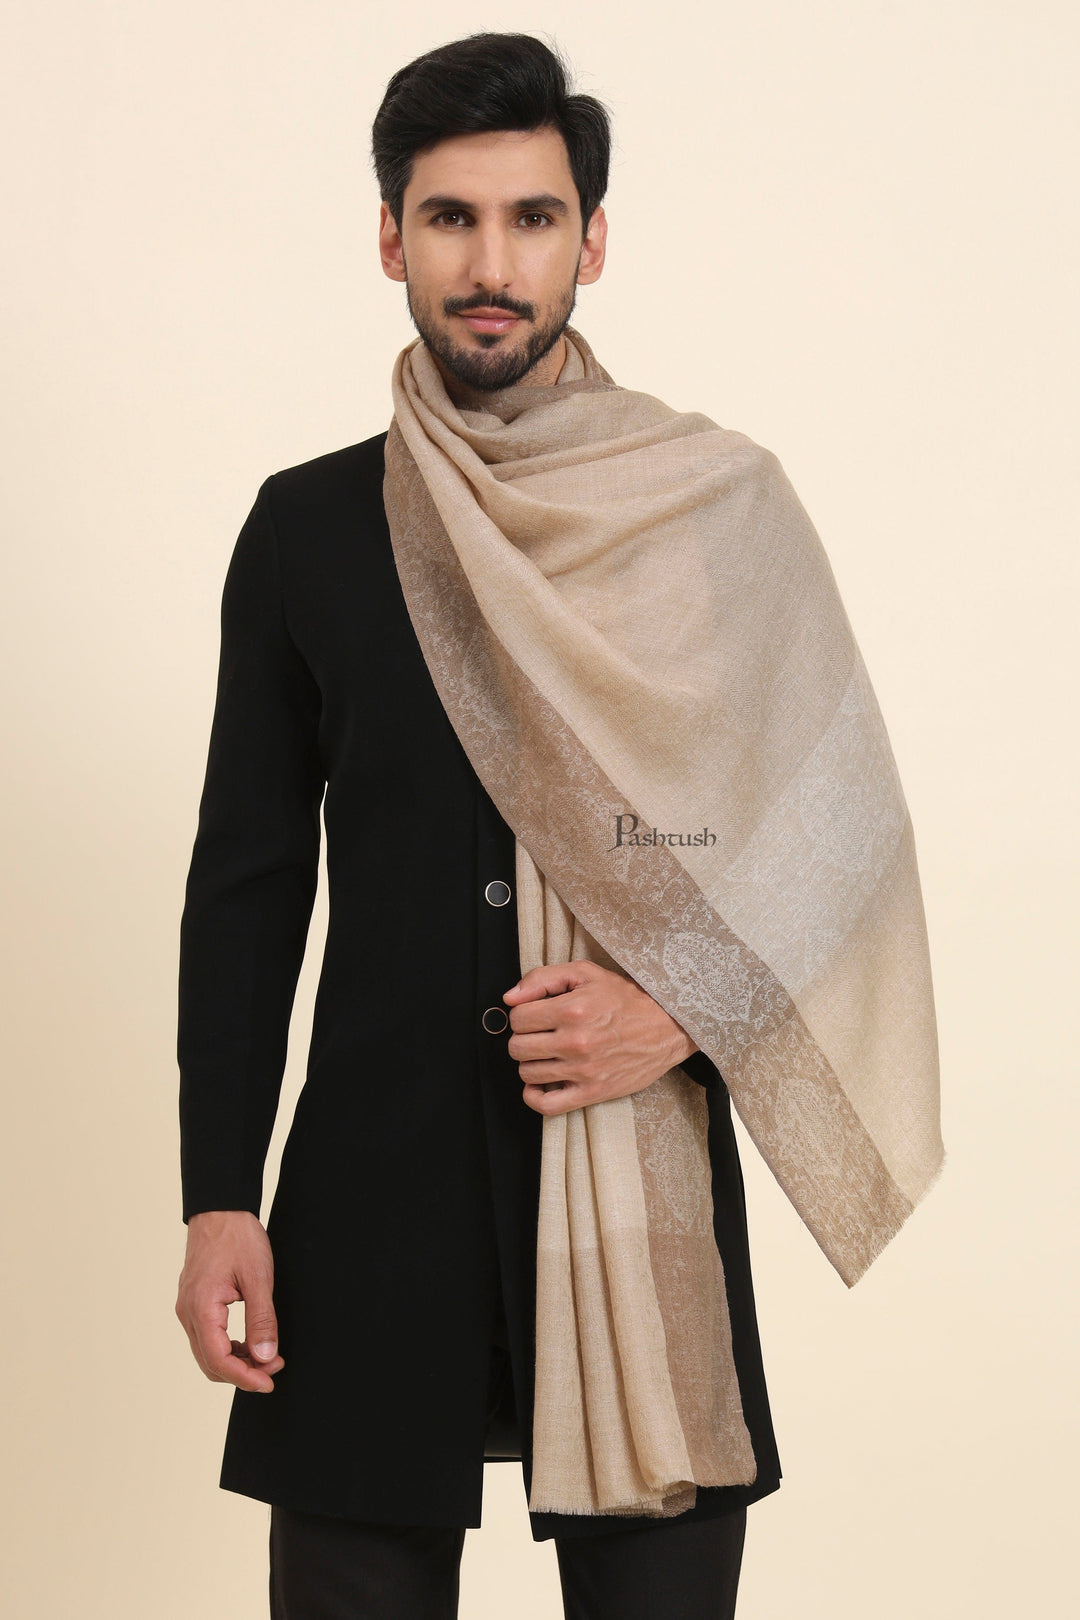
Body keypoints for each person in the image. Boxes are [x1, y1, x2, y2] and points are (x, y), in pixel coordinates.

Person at [175, 29, 942, 1620]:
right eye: (450, 219)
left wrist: (683, 1008)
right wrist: (217, 1195)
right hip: (369, 1206)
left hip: (636, 1202)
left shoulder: (712, 509)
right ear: (390, 238)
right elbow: (249, 884)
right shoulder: (310, 530)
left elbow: (836, 839)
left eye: (532, 219)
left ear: (592, 242)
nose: (490, 265)